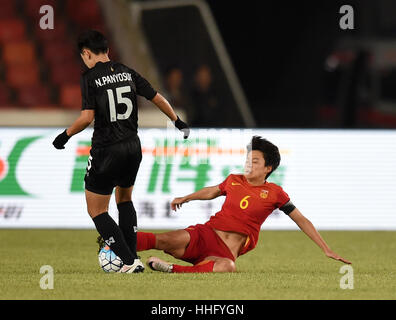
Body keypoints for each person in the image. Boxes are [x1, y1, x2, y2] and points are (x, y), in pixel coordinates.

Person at [52, 30, 190, 273]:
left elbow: (86, 118)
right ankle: (132, 255)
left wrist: (65, 136)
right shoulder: (126, 71)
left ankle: (128, 261)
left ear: (86, 53)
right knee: (124, 200)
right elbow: (156, 97)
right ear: (107, 50)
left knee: (97, 210)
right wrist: (177, 120)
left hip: (106, 149)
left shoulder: (90, 77)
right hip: (133, 147)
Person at [136, 136, 351, 273]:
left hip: (224, 253)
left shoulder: (275, 193)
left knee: (227, 267)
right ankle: (114, 243)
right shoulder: (234, 180)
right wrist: (186, 198)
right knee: (162, 239)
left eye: (255, 161)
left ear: (268, 168)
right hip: (205, 234)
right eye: (248, 159)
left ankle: (171, 270)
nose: (248, 163)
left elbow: (301, 219)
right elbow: (212, 191)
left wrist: (326, 249)